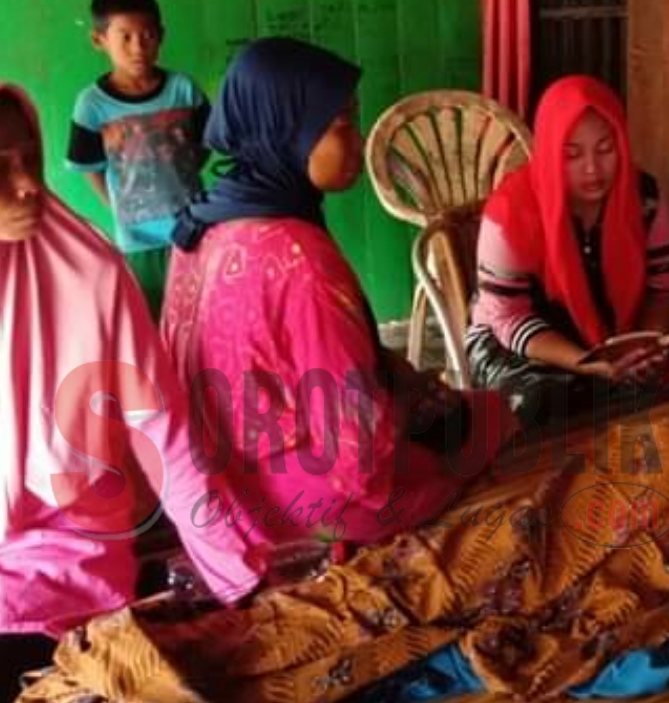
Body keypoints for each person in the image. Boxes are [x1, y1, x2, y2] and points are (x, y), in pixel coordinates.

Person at [0, 69, 259, 702]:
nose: (29, 184)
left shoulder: (85, 273)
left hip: (55, 559)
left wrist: (240, 580)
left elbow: (163, 433)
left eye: (30, 158)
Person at [164, 37, 515, 551]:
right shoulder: (298, 258)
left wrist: (390, 373)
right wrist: (413, 405)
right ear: (288, 131)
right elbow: (360, 460)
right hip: (305, 503)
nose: (358, 139)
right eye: (341, 124)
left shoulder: (201, 225)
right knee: (490, 418)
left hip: (221, 492)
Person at [466, 76, 669, 426]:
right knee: (543, 404)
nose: (592, 168)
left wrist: (647, 345)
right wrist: (585, 362)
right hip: (522, 342)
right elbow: (508, 318)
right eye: (571, 154)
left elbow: (665, 288)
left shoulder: (644, 196)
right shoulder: (510, 212)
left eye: (605, 149)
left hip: (620, 334)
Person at [65, 0, 211, 318]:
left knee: (200, 316)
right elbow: (89, 167)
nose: (138, 47)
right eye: (125, 37)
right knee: (155, 319)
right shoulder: (92, 106)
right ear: (99, 40)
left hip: (192, 228)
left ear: (161, 35)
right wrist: (118, 206)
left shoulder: (183, 90)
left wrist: (185, 173)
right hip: (139, 239)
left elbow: (208, 142)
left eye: (147, 35)